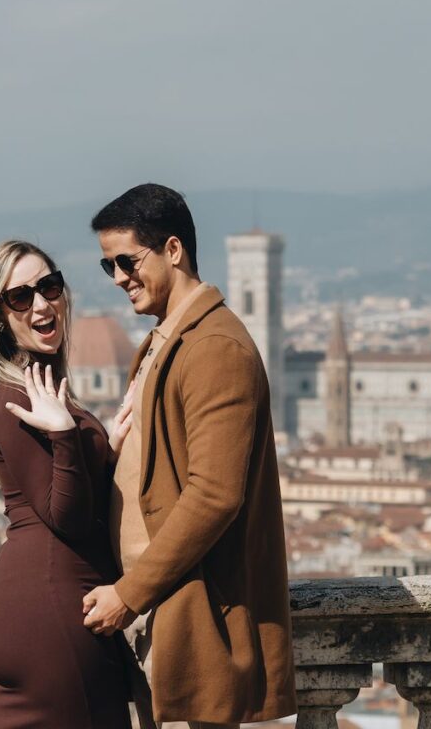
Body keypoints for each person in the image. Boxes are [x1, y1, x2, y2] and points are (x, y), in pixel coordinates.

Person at [82, 184, 297, 729]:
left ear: (173, 250)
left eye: (127, 261)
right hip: (159, 614)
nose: (119, 278)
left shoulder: (214, 347)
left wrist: (129, 594)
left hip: (193, 620)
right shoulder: (165, 340)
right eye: (108, 266)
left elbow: (215, 493)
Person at [0, 239, 134, 729]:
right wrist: (69, 436)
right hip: (49, 617)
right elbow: (66, 519)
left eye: (49, 286)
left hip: (34, 612)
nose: (42, 304)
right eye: (20, 297)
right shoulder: (13, 400)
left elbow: (61, 492)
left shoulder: (36, 388)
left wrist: (104, 448)